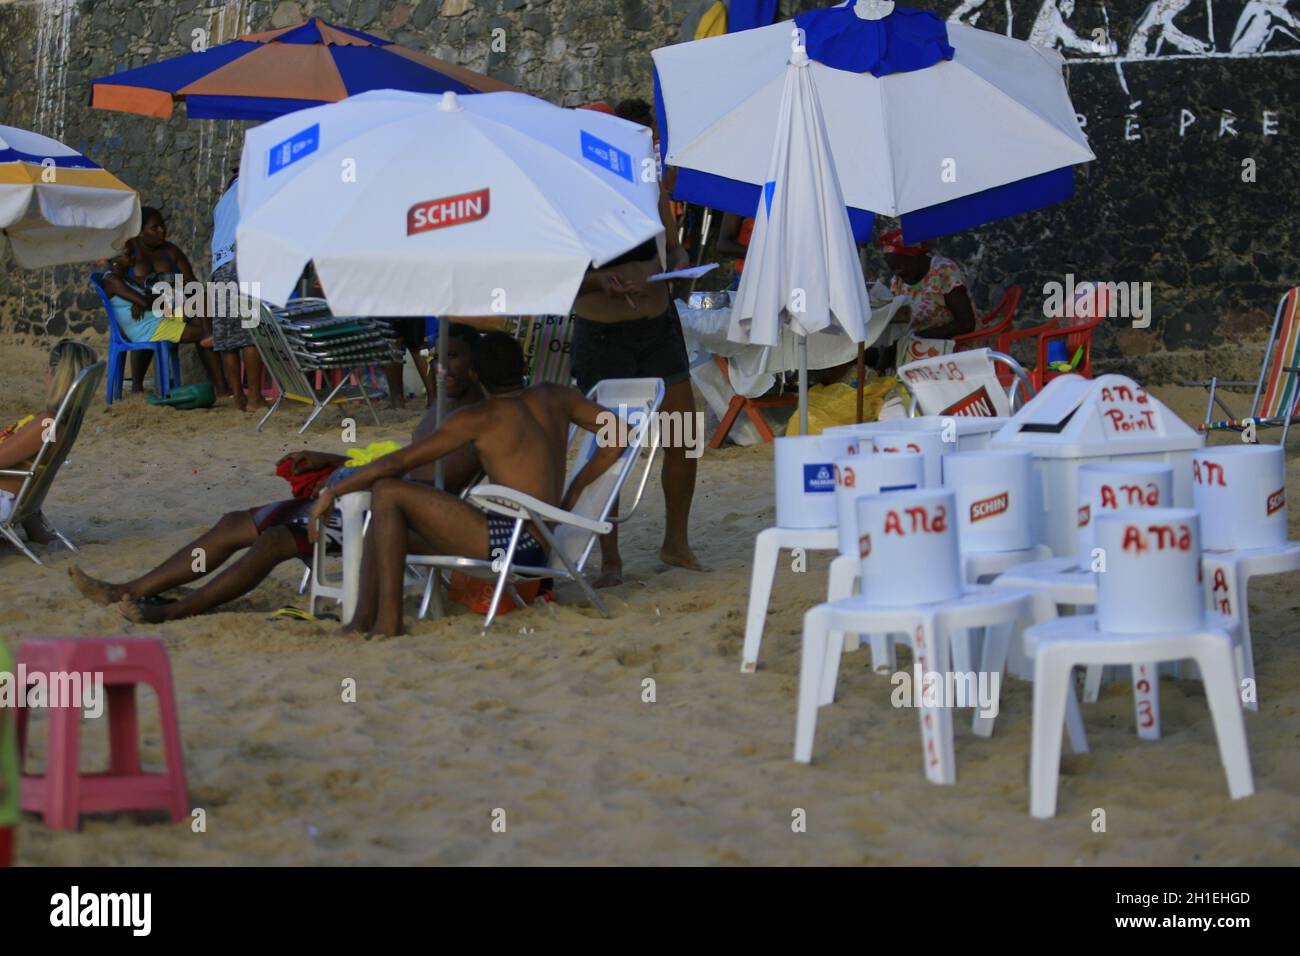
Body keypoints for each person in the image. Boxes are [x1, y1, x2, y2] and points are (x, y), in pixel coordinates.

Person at [68, 325, 486, 623]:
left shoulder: (476, 423)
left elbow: (430, 486)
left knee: (273, 541)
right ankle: (132, 589)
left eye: (455, 359)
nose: (442, 367)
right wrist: (336, 461)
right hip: (366, 501)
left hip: (391, 519)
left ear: (477, 367)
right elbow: (405, 459)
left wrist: (352, 480)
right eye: (438, 358)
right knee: (234, 522)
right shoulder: (443, 409)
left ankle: (176, 609)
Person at [311, 332, 627, 638]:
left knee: (388, 490)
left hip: (512, 545)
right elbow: (620, 432)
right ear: (524, 367)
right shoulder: (556, 396)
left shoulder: (481, 417)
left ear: (475, 374)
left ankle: (388, 622)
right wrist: (575, 488)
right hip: (539, 544)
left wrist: (334, 490)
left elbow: (398, 463)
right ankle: (363, 621)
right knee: (385, 528)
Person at [566, 99, 705, 586]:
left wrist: (681, 271)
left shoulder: (651, 188)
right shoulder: (579, 191)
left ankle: (676, 541)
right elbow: (558, 274)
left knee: (685, 436)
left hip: (658, 326)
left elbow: (673, 245)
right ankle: (610, 558)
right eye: (641, 141)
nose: (649, 149)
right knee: (610, 446)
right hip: (603, 334)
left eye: (651, 141)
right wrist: (599, 284)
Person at [100, 208, 226, 394]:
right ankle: (137, 385)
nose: (162, 231)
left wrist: (147, 294)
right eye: (154, 227)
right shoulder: (129, 251)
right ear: (140, 230)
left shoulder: (170, 250)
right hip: (142, 317)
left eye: (162, 226)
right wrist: (139, 297)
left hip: (166, 305)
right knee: (191, 324)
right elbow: (131, 286)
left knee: (201, 304)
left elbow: (189, 283)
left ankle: (220, 384)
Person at [0, 340, 98, 543]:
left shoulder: (48, 424)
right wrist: (37, 534)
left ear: (54, 374)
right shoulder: (64, 423)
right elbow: (36, 474)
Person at [209, 167, 266, 411]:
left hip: (219, 269)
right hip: (244, 264)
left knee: (228, 340)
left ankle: (238, 398)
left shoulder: (222, 203)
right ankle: (255, 397)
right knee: (251, 335)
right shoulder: (255, 190)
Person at [880, 229, 977, 342]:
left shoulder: (943, 271)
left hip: (955, 346)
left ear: (916, 257)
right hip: (917, 346)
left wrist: (920, 337)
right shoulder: (898, 282)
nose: (897, 273)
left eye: (899, 266)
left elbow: (966, 323)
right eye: (893, 268)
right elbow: (899, 323)